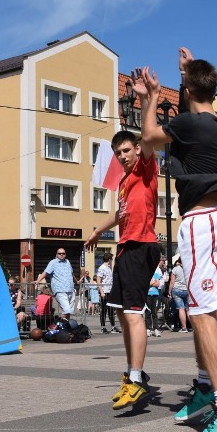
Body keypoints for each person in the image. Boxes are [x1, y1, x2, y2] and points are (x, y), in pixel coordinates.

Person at [133, 49, 217, 432]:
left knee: (203, 316)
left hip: (201, 223)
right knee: (206, 309)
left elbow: (148, 139)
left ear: (184, 91)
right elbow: (202, 92)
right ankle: (204, 387)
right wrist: (191, 70)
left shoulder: (187, 122)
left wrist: (149, 99)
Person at [85, 128, 160, 410]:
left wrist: (147, 99)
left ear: (137, 149)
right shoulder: (125, 181)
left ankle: (137, 378)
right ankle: (133, 373)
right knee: (120, 309)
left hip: (142, 245)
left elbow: (150, 136)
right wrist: (96, 231)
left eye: (126, 150)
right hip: (126, 247)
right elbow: (121, 214)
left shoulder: (146, 170)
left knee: (132, 312)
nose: (122, 156)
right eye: (118, 153)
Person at [36, 248, 78, 320]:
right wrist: (37, 281)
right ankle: (56, 323)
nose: (61, 254)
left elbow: (72, 273)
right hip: (60, 290)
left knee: (69, 312)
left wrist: (76, 281)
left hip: (70, 290)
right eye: (60, 253)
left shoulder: (67, 262)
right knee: (66, 310)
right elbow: (46, 272)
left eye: (63, 253)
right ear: (56, 254)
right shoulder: (53, 262)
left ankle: (66, 327)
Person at [96, 252, 117, 333]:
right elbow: (98, 280)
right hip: (104, 291)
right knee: (104, 310)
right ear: (109, 259)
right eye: (111, 259)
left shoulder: (108, 268)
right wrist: (101, 292)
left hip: (110, 291)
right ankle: (103, 327)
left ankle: (113, 326)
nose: (112, 261)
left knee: (111, 310)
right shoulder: (102, 268)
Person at [168, 257, 189, 332]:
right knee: (188, 309)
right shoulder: (189, 268)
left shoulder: (175, 269)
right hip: (187, 290)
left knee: (181, 309)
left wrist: (169, 291)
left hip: (177, 289)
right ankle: (193, 326)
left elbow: (172, 282)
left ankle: (184, 327)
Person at [146, 263, 163, 338]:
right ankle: (148, 329)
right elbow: (145, 283)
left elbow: (157, 284)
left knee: (154, 312)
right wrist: (152, 282)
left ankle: (156, 328)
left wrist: (151, 283)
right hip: (147, 294)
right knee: (148, 312)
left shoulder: (156, 272)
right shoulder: (146, 272)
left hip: (155, 294)